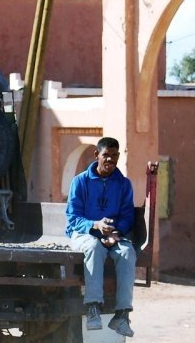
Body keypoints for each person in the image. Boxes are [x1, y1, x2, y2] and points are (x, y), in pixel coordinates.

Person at [65, 137, 136, 338]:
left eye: (114, 156)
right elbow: (72, 218)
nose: (110, 160)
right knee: (94, 248)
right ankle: (93, 307)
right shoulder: (80, 182)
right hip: (83, 234)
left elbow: (127, 215)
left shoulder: (123, 184)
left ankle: (122, 315)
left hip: (112, 235)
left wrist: (117, 233)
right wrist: (95, 225)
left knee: (127, 252)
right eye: (106, 155)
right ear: (97, 155)